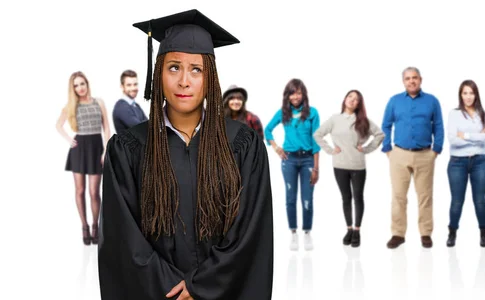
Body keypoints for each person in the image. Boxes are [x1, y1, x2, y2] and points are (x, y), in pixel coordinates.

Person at [98, 9, 274, 299]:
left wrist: (200, 285)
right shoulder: (129, 148)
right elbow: (123, 237)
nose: (184, 81)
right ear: (158, 74)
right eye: (173, 67)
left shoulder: (243, 145)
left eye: (196, 69)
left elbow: (251, 232)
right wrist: (174, 288)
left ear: (211, 77)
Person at [381, 66, 444, 249]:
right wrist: (388, 149)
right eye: (408, 78)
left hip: (425, 155)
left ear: (421, 79)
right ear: (403, 81)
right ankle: (398, 234)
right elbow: (386, 125)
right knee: (398, 196)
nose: (411, 81)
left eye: (414, 77)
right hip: (399, 155)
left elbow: (438, 126)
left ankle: (425, 233)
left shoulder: (432, 101)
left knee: (425, 196)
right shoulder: (394, 101)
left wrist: (436, 150)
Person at [313, 90, 384, 247]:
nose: (352, 100)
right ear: (345, 99)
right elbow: (317, 134)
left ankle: (357, 230)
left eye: (356, 99)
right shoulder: (335, 119)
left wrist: (366, 149)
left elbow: (380, 135)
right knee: (346, 198)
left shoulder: (363, 120)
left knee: (358, 197)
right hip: (339, 165)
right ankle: (349, 229)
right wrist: (330, 150)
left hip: (358, 165)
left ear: (359, 104)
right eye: (350, 97)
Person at [264, 78, 320, 251]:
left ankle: (307, 232)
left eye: (298, 92)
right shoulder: (283, 112)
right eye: (292, 93)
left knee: (307, 198)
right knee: (290, 198)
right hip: (289, 160)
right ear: (287, 96)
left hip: (308, 160)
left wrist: (316, 168)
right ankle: (293, 233)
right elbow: (267, 130)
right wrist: (276, 148)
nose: (295, 96)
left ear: (303, 94)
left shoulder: (312, 112)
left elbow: (316, 140)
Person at [55, 71, 110, 246]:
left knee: (94, 192)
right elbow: (58, 125)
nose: (80, 88)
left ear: (87, 83)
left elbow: (106, 128)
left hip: (96, 148)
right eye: (76, 85)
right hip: (79, 150)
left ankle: (95, 226)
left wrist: (105, 150)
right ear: (73, 88)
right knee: (79, 190)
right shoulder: (71, 106)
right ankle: (84, 226)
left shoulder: (98, 102)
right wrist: (69, 139)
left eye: (82, 84)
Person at [445, 80, 485, 247]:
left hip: (480, 162)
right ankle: (452, 232)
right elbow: (452, 139)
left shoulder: (483, 114)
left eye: (471, 93)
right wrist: (478, 136)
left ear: (476, 95)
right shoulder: (454, 114)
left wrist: (465, 135)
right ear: (460, 95)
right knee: (457, 201)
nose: (468, 96)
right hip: (457, 162)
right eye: (465, 93)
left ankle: (484, 232)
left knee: (480, 200)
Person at [112, 69, 148, 135]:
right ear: (122, 87)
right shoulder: (121, 107)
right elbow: (141, 129)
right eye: (129, 85)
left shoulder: (136, 105)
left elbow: (148, 125)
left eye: (135, 84)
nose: (133, 88)